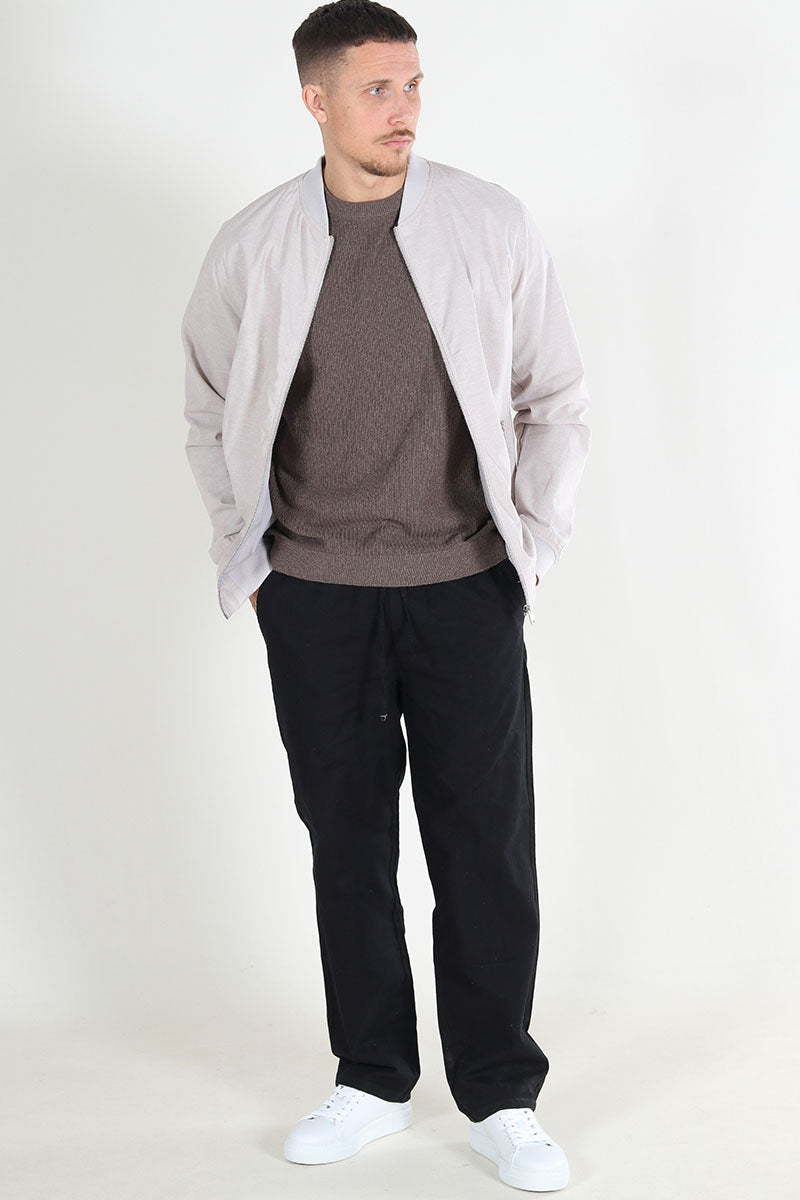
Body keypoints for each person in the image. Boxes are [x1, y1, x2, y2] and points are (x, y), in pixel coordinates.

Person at [181, 0, 590, 1190]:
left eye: (412, 85)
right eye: (376, 89)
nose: (403, 109)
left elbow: (554, 396)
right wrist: (251, 561)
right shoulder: (253, 245)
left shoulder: (488, 224)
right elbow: (207, 407)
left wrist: (530, 546)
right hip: (314, 595)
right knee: (346, 848)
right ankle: (369, 1078)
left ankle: (499, 1095)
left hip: (463, 588)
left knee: (483, 849)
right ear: (315, 101)